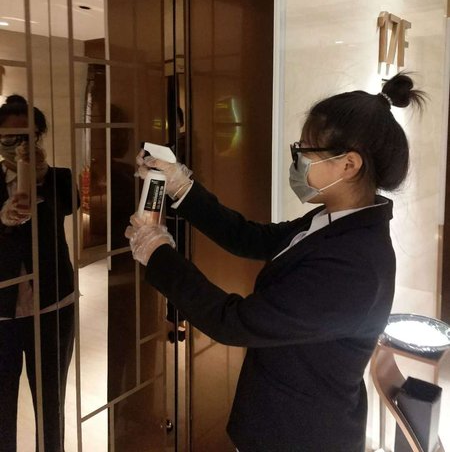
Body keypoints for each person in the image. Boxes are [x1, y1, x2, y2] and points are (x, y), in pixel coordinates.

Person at [125, 73, 426, 452]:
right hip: (277, 416)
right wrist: (181, 187)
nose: (297, 159)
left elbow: (235, 322)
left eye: (305, 150)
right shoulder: (334, 219)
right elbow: (250, 237)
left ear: (348, 164)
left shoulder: (355, 266)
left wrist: (157, 253)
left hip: (299, 434)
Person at [0, 95, 77, 452]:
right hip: (2, 314)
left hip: (53, 306)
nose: (18, 146)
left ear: (40, 137)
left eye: (27, 137)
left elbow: (71, 204)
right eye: (8, 138)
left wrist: (42, 176)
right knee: (2, 406)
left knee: (51, 403)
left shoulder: (59, 178)